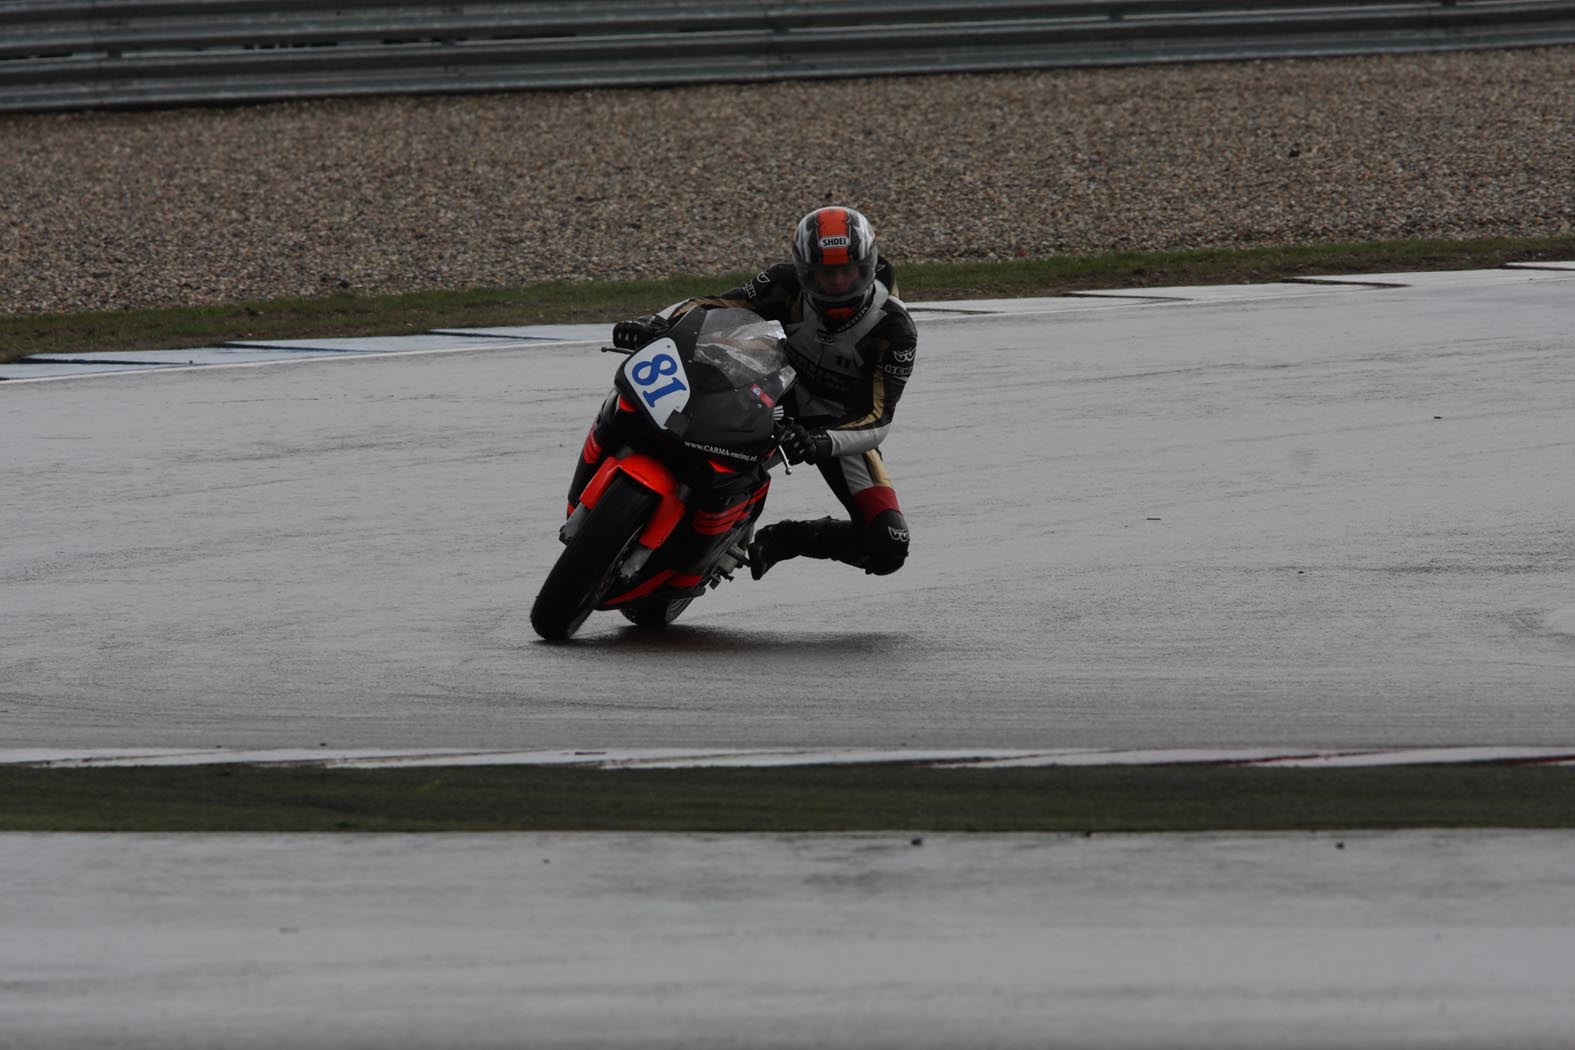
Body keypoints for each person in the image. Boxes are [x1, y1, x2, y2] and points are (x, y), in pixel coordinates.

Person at [608, 205, 916, 580]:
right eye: (823, 273)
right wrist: (656, 323)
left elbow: (879, 416)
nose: (836, 284)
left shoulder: (894, 329)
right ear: (804, 270)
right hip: (770, 383)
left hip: (835, 424)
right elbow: (717, 304)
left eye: (846, 272)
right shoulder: (785, 281)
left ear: (867, 266)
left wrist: (820, 441)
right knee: (673, 417)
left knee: (889, 543)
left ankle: (790, 538)